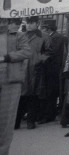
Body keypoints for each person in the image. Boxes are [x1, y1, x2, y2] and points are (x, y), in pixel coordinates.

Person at [0, 18, 32, 155]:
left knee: (7, 119)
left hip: (10, 80)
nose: (2, 23)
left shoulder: (19, 35)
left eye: (4, 20)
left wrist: (6, 57)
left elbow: (27, 52)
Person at [15, 16, 47, 130]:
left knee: (33, 97)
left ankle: (31, 121)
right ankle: (16, 122)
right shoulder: (21, 35)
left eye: (32, 22)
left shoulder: (43, 36)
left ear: (37, 23)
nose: (29, 25)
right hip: (22, 69)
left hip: (35, 70)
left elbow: (49, 52)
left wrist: (39, 60)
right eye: (28, 22)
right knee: (20, 97)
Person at [39, 18, 66, 124]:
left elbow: (52, 53)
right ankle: (49, 114)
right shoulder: (56, 37)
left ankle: (49, 115)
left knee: (50, 93)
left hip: (53, 69)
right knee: (49, 92)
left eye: (43, 28)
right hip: (50, 69)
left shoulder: (58, 38)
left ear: (48, 28)